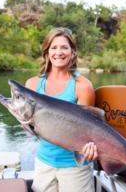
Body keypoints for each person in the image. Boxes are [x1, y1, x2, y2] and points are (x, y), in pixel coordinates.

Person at [25, 27, 98, 192]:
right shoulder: (32, 85)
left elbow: (89, 129)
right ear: (47, 52)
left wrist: (91, 149)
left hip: (75, 166)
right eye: (54, 47)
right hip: (44, 162)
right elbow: (31, 128)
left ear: (73, 52)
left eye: (64, 47)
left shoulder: (82, 87)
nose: (59, 52)